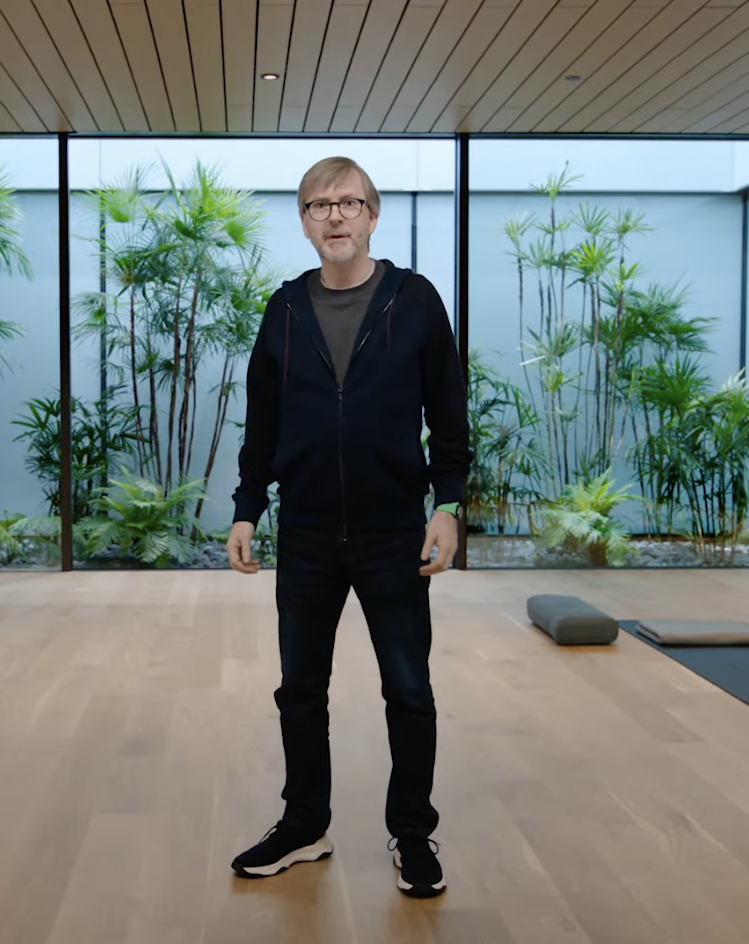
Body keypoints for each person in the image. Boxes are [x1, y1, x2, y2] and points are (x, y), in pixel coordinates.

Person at [224, 156, 470, 899]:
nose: (334, 215)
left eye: (349, 202)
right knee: (299, 688)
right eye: (319, 205)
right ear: (303, 220)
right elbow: (262, 420)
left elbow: (449, 413)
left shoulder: (415, 301)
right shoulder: (284, 308)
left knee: (409, 689)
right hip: (304, 532)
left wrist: (449, 505)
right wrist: (246, 505)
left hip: (393, 528)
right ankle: (305, 824)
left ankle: (413, 833)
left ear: (372, 216)